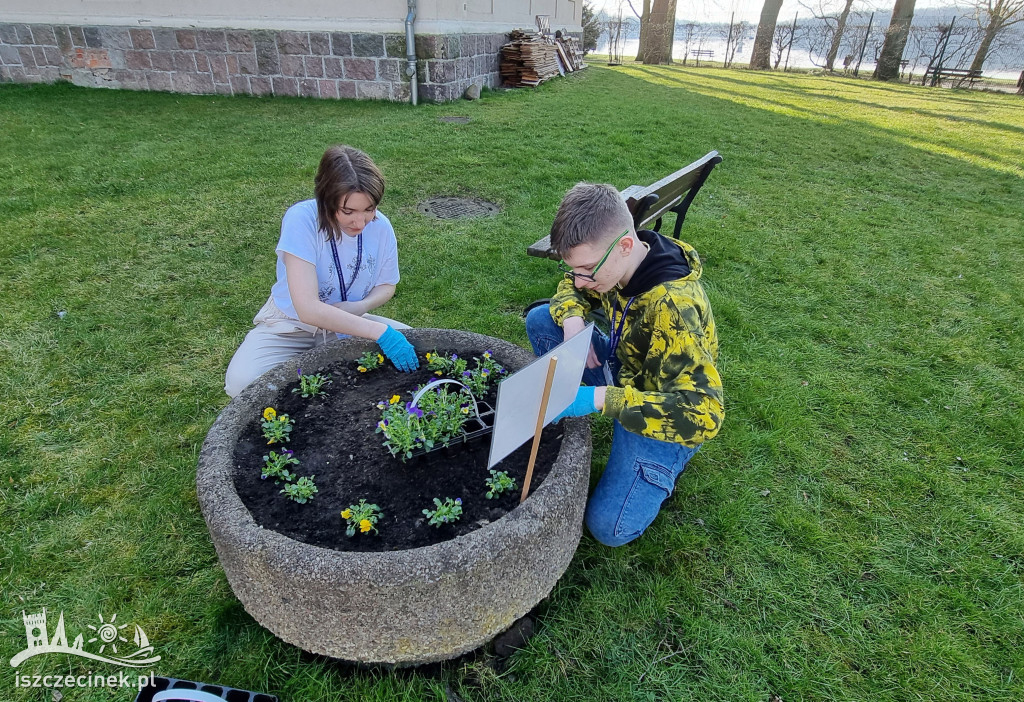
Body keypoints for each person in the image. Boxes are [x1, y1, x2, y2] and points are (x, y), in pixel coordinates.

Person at [525, 183, 724, 546]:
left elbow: (705, 413)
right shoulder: (620, 260)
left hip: (665, 405)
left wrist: (603, 399)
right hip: (628, 368)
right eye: (574, 269)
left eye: (586, 270)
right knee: (543, 320)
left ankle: (669, 462)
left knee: (609, 528)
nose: (581, 280)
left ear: (625, 246)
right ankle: (606, 406)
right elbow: (573, 286)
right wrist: (572, 319)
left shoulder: (673, 309)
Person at [225, 145, 418, 397]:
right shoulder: (301, 220)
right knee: (242, 381)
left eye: (369, 209)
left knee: (419, 347)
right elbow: (307, 309)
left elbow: (386, 285)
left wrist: (360, 307)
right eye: (348, 211)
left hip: (349, 323)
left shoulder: (381, 227)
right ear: (326, 200)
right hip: (290, 325)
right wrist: (382, 333)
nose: (360, 222)